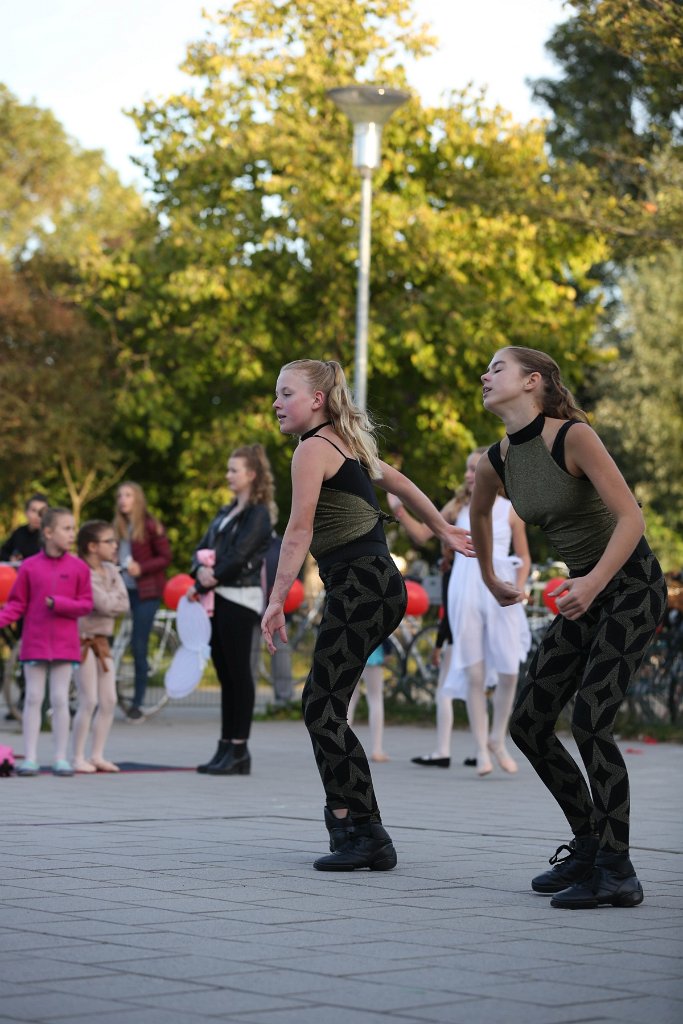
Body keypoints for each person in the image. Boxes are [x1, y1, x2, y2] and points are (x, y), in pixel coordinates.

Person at [471, 345, 667, 909]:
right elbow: (481, 515)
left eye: (497, 367)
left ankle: (617, 870)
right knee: (529, 723)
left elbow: (632, 517)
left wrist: (593, 582)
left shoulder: (572, 437)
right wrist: (489, 575)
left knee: (589, 720)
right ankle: (587, 846)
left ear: (532, 381)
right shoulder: (497, 460)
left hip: (629, 586)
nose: (485, 376)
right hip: (585, 593)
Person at [261, 359, 474, 872]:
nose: (276, 403)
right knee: (324, 704)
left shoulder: (314, 448)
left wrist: (274, 600)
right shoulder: (344, 443)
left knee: (321, 706)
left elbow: (298, 531)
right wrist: (442, 530)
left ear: (316, 399)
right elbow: (399, 483)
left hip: (362, 584)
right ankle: (347, 822)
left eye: (285, 393)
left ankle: (365, 831)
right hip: (376, 585)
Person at [394, 448, 531, 774]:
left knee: (510, 669)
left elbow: (524, 557)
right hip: (465, 587)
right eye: (468, 469)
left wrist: (522, 586)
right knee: (475, 671)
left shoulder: (511, 510)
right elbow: (422, 534)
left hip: (502, 586)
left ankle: (498, 738)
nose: (470, 475)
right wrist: (398, 507)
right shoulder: (457, 508)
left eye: (476, 469)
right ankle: (482, 750)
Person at [192, 444, 274, 776]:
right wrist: (197, 572)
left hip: (239, 599)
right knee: (226, 675)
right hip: (217, 598)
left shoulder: (259, 514)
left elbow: (240, 555)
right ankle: (226, 745)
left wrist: (211, 576)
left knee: (240, 675)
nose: (228, 475)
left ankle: (240, 749)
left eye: (233, 470)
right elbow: (202, 548)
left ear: (251, 475)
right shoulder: (226, 512)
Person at [0, 508, 92, 776]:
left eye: (73, 528)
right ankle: (30, 757)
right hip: (35, 642)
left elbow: (85, 604)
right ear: (48, 532)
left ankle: (61, 758)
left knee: (60, 699)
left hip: (65, 644)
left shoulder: (79, 568)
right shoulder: (29, 567)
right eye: (66, 528)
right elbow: (17, 604)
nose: (72, 534)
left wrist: (60, 604)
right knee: (33, 698)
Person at [72, 521, 130, 773]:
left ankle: (97, 754)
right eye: (109, 541)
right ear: (92, 546)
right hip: (83, 639)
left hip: (103, 641)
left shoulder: (112, 570)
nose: (114, 545)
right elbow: (104, 604)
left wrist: (110, 602)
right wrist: (110, 602)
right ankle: (77, 756)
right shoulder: (82, 571)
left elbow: (123, 603)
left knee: (109, 699)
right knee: (89, 700)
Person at [113, 482, 171, 722]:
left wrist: (141, 568)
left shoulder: (150, 525)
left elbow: (166, 557)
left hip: (146, 593)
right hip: (122, 591)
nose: (123, 500)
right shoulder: (116, 528)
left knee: (139, 645)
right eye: (120, 496)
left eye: (128, 495)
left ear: (137, 499)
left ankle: (137, 703)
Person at [347, 645, 390, 762]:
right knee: (375, 698)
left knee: (349, 699)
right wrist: (388, 650)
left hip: (350, 651)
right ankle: (377, 750)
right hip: (372, 652)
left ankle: (342, 745)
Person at [0, 493, 49, 562]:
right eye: (33, 510)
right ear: (26, 512)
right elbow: (3, 552)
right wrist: (10, 558)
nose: (38, 516)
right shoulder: (19, 532)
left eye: (42, 512)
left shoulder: (50, 536)